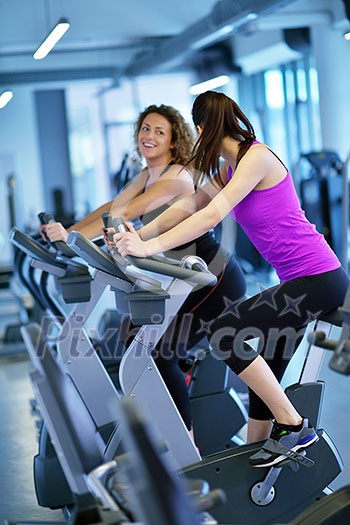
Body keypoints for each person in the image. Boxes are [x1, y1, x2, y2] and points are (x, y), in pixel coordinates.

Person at [113, 90, 349, 468]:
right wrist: (137, 237)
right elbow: (188, 208)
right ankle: (250, 465)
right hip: (298, 281)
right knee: (264, 374)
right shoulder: (228, 168)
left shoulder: (255, 157)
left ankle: (293, 426)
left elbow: (209, 218)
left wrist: (148, 247)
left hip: (320, 277)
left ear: (204, 127)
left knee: (226, 333)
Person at [43, 103, 247, 438]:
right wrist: (68, 234)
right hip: (183, 278)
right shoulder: (145, 174)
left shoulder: (177, 176)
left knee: (156, 352)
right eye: (145, 128)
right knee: (132, 337)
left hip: (213, 278)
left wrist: (72, 235)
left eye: (159, 131)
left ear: (172, 141)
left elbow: (128, 213)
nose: (149, 136)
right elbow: (111, 208)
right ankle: (159, 421)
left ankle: (186, 444)